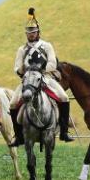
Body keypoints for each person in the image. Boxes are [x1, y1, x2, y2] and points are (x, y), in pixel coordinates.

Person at [9, 8, 73, 146]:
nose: (31, 35)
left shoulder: (46, 46)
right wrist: (22, 71)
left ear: (38, 32)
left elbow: (52, 62)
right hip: (27, 81)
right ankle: (18, 136)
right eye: (28, 33)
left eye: (33, 32)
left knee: (64, 97)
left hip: (45, 78)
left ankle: (64, 132)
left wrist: (41, 70)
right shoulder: (22, 49)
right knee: (13, 103)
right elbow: (17, 67)